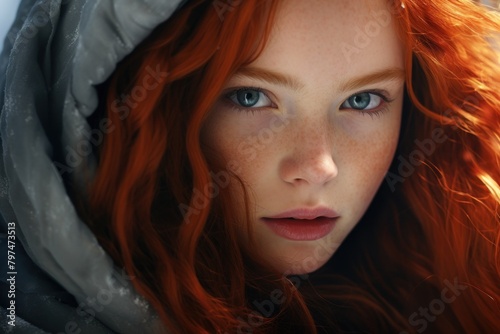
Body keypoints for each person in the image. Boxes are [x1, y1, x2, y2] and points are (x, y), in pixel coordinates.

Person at [0, 0, 499, 333]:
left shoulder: (452, 282)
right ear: (135, 106)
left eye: (363, 100)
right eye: (250, 96)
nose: (318, 167)